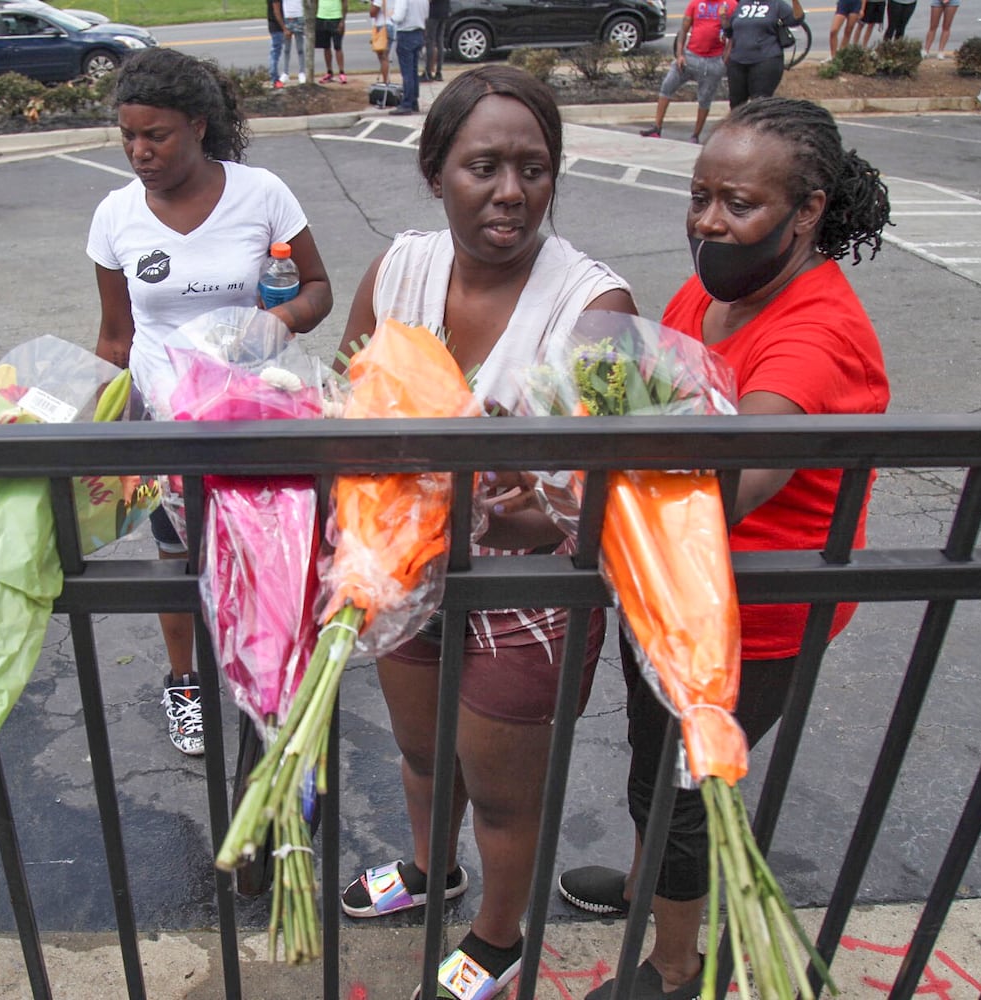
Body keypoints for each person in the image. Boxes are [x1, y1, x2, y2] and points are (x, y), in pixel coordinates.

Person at [558, 97, 891, 1000]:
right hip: (667, 585)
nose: (709, 219)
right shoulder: (714, 291)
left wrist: (582, 484)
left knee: (676, 793)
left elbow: (725, 489)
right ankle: (644, 892)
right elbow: (658, 400)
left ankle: (672, 968)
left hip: (749, 617)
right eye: (700, 194)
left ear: (807, 210)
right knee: (649, 760)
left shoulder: (814, 334)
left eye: (737, 203)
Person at [335, 65, 636, 999]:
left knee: (504, 791)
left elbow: (611, 489)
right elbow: (346, 389)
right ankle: (432, 870)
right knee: (423, 754)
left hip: (528, 590)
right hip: (405, 560)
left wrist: (528, 507)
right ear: (434, 174)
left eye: (533, 169)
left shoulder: (594, 307)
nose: (511, 192)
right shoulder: (400, 269)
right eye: (483, 167)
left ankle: (498, 935)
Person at [87, 48, 333, 756]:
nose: (139, 151)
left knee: (266, 552)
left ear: (197, 126)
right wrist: (102, 430)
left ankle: (273, 678)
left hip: (256, 410)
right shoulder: (114, 216)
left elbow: (315, 288)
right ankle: (185, 684)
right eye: (128, 135)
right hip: (167, 422)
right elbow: (113, 336)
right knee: (176, 558)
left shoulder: (261, 196)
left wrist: (274, 322)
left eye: (154, 135)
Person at [640, 0, 731, 143]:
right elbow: (683, 29)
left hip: (713, 61)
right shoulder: (695, 4)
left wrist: (724, 61)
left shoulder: (729, 5)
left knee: (704, 99)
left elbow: (733, 34)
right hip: (690, 56)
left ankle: (695, 135)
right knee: (667, 86)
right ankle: (657, 127)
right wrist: (680, 54)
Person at [723, 0, 804, 108]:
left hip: (766, 59)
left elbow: (796, 19)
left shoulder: (776, 4)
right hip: (738, 60)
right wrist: (724, 18)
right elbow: (730, 32)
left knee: (759, 104)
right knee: (736, 104)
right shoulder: (743, 4)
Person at [391, 0, 428, 115]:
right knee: (413, 70)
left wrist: (391, 16)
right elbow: (426, 14)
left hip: (406, 33)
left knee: (407, 72)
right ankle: (413, 100)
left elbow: (399, 16)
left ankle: (406, 103)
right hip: (419, 32)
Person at [317, 0, 349, 83]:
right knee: (326, 47)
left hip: (336, 18)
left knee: (338, 47)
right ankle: (329, 72)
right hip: (322, 18)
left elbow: (345, 2)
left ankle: (341, 72)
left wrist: (342, 20)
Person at [280, 0, 308, 84]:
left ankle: (302, 72)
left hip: (299, 17)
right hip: (287, 18)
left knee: (300, 49)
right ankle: (285, 73)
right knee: (286, 49)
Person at [370, 0, 394, 85]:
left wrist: (372, 3)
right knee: (384, 56)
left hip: (382, 26)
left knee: (383, 57)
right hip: (390, 24)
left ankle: (385, 81)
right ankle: (386, 79)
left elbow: (373, 13)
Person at [424, 0, 448, 80]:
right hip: (444, 11)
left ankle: (428, 72)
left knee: (430, 42)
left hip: (433, 13)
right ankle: (438, 72)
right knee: (440, 42)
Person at [268, 0, 287, 87]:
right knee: (275, 52)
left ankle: (274, 78)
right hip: (276, 27)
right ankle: (274, 78)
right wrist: (284, 27)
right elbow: (277, 12)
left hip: (274, 26)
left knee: (275, 52)